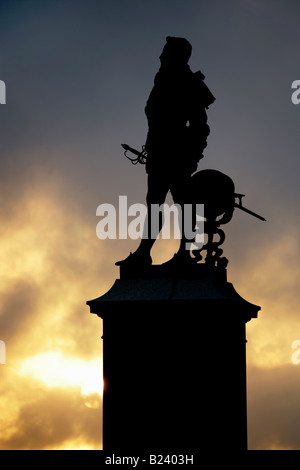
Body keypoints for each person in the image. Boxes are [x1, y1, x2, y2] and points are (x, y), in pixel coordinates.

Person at [116, 37, 215, 267]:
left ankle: (184, 252)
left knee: (182, 203)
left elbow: (201, 126)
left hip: (177, 155)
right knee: (155, 203)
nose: (160, 57)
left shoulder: (189, 85)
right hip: (159, 152)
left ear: (176, 57)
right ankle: (144, 252)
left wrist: (191, 154)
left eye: (165, 53)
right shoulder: (162, 81)